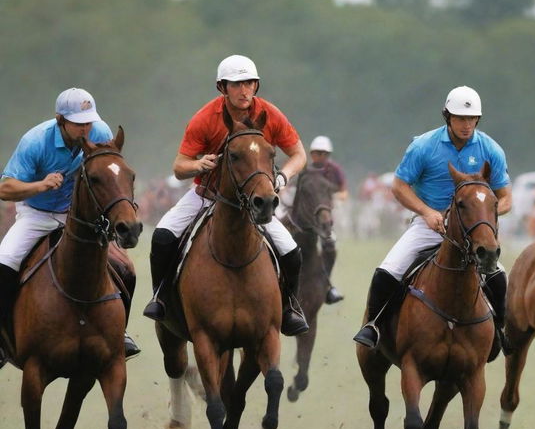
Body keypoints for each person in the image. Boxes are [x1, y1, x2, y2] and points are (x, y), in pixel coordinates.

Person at [142, 54, 309, 335]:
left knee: (291, 250)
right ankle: (160, 297)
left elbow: (298, 154)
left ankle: (290, 306)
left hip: (255, 202)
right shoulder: (206, 118)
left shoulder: (270, 114)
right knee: (162, 236)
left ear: (256, 85)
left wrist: (282, 176)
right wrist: (198, 164)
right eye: (236, 84)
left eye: (249, 84)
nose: (244, 91)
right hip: (207, 194)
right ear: (222, 87)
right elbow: (179, 167)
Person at [353, 85, 512, 349]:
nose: (466, 124)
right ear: (447, 117)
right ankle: (373, 325)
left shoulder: (491, 149)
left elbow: (506, 198)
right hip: (430, 226)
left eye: (471, 119)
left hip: (471, 232)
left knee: (498, 276)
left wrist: (486, 213)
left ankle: (500, 331)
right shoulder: (424, 146)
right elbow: (399, 186)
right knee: (388, 270)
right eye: (460, 118)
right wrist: (426, 212)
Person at [0, 88, 141, 367]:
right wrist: (39, 185)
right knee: (3, 263)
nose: (85, 128)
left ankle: (119, 332)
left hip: (76, 217)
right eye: (79, 123)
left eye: (88, 121)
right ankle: (2, 339)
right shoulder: (36, 141)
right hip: (35, 214)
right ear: (60, 119)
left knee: (125, 268)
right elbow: (5, 188)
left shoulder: (99, 132)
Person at [279, 135, 347, 304]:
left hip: (325, 213)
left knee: (331, 243)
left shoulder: (334, 170)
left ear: (328, 154)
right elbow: (290, 185)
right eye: (317, 153)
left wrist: (332, 198)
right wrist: (282, 189)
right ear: (312, 153)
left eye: (324, 153)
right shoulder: (305, 170)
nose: (320, 156)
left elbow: (344, 191)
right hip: (303, 213)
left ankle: (327, 285)